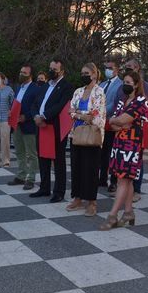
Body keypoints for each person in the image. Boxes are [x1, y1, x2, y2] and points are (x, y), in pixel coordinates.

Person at [100, 71, 148, 230]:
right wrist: (119, 122)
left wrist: (119, 121)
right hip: (119, 143)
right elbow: (112, 123)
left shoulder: (140, 101)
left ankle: (112, 215)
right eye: (124, 82)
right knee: (124, 180)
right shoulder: (123, 101)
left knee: (124, 180)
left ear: (135, 85)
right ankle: (128, 212)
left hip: (132, 146)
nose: (125, 85)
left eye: (128, 83)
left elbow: (120, 120)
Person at [31, 58, 74, 203]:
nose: (51, 71)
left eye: (54, 70)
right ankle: (44, 188)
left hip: (55, 128)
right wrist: (36, 116)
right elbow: (35, 103)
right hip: (41, 127)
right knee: (42, 158)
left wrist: (44, 116)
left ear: (61, 71)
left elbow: (61, 106)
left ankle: (59, 191)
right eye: (50, 68)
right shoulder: (44, 85)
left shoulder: (66, 86)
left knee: (58, 161)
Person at [66, 63, 106, 217]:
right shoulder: (78, 91)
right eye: (82, 72)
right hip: (76, 134)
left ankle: (91, 202)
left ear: (94, 74)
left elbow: (95, 116)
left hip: (92, 135)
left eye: (86, 73)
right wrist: (81, 114)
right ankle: (77, 197)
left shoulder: (99, 92)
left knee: (91, 169)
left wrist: (78, 114)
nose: (83, 75)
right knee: (77, 167)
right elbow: (70, 111)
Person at [113, 58, 148, 201]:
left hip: (134, 137)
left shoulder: (144, 87)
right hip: (120, 136)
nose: (127, 68)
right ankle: (124, 195)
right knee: (121, 168)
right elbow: (116, 116)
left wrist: (121, 120)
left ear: (137, 68)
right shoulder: (122, 91)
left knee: (135, 165)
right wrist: (117, 121)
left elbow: (141, 110)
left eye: (130, 67)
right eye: (126, 66)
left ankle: (136, 189)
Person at [8, 65, 41, 190]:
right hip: (16, 124)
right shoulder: (18, 87)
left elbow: (36, 107)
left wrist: (25, 117)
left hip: (29, 125)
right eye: (21, 71)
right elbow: (16, 104)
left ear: (30, 75)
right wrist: (11, 112)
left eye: (25, 73)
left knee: (31, 154)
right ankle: (21, 175)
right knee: (19, 152)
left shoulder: (35, 89)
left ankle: (31, 178)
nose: (22, 74)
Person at [99, 58, 122, 190]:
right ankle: (102, 178)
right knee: (103, 153)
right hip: (101, 124)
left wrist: (100, 112)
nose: (107, 70)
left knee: (113, 153)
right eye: (106, 68)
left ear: (117, 69)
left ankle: (113, 181)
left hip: (112, 124)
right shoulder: (102, 84)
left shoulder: (120, 84)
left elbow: (115, 103)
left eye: (110, 68)